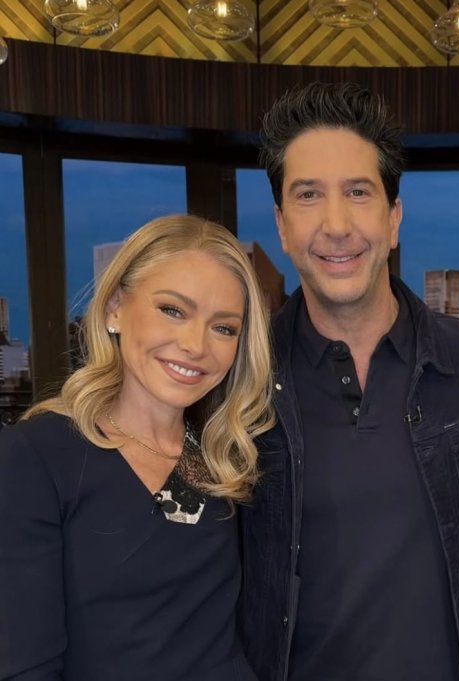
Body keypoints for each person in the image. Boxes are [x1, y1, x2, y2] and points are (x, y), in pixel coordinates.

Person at [238, 81, 459, 681]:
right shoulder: (239, 378)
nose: (336, 224)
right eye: (308, 195)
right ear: (282, 226)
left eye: (358, 192)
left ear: (393, 218)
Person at [0, 215, 274, 681]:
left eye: (224, 328)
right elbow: (25, 663)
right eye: (173, 310)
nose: (195, 345)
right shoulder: (38, 456)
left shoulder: (220, 462)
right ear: (114, 309)